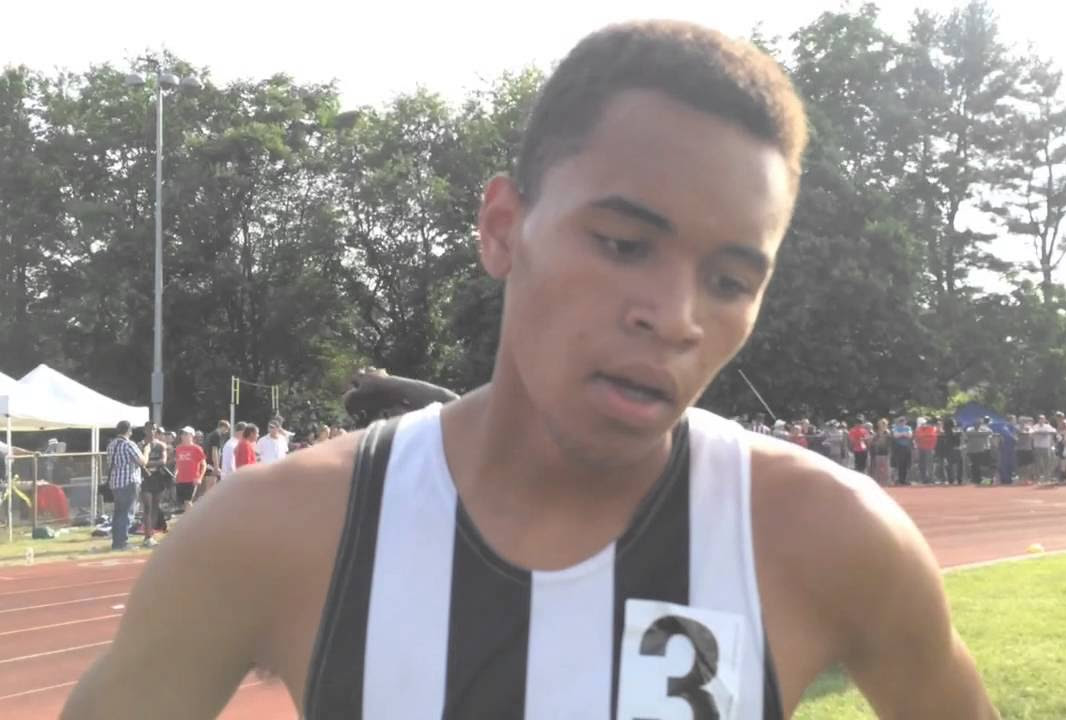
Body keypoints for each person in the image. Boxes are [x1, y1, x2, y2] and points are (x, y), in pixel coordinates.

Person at [63, 22, 996, 720]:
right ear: (503, 227)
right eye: (624, 243)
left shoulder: (832, 539)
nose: (676, 316)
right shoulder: (276, 532)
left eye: (729, 281)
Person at [103, 421, 146, 552]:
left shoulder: (111, 444)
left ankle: (116, 542)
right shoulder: (129, 444)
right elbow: (142, 461)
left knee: (118, 513)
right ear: (129, 431)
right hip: (128, 482)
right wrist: (147, 451)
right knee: (127, 513)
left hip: (115, 482)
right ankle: (122, 543)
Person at [138, 425, 169, 548]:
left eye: (153, 429)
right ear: (144, 430)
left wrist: (148, 463)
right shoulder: (140, 445)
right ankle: (147, 536)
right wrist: (149, 464)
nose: (151, 431)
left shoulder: (161, 445)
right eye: (148, 429)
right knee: (147, 506)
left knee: (155, 506)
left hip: (158, 477)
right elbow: (140, 463)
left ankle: (151, 534)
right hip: (145, 478)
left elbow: (163, 461)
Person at [173, 427, 207, 513]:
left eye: (186, 434)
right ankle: (191, 518)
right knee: (183, 504)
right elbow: (177, 463)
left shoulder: (197, 448)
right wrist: (175, 474)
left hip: (192, 479)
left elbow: (204, 464)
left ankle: (191, 519)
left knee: (188, 501)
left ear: (192, 436)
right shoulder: (178, 448)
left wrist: (200, 478)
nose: (183, 436)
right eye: (182, 434)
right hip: (180, 479)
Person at [890, 416, 913, 485]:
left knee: (907, 464)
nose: (902, 422)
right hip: (899, 448)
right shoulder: (895, 428)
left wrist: (901, 434)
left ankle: (905, 480)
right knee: (900, 464)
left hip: (907, 448)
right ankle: (900, 480)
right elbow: (895, 435)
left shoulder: (908, 428)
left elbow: (910, 435)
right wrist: (904, 434)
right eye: (901, 421)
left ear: (905, 421)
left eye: (903, 421)